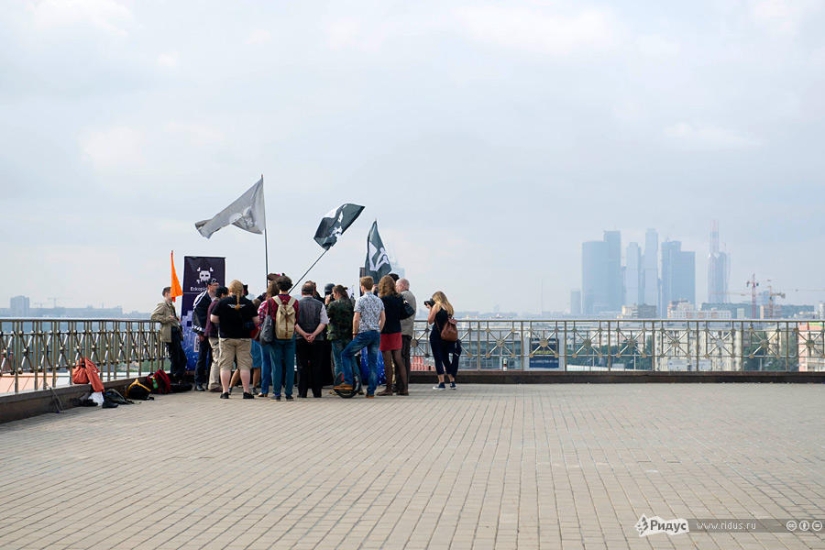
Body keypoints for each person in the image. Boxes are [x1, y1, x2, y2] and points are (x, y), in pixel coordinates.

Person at [337, 276, 385, 398]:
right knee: (372, 363)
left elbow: (356, 318)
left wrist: (354, 333)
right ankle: (371, 391)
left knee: (345, 354)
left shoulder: (360, 300)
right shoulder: (379, 300)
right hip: (375, 333)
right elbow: (383, 318)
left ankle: (348, 382)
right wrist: (378, 329)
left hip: (364, 333)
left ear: (362, 287)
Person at [210, 280, 259, 399]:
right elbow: (257, 321)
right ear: (242, 290)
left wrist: (224, 322)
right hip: (244, 338)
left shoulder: (222, 302)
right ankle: (246, 391)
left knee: (225, 365)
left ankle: (225, 392)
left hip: (226, 337)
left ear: (229, 290)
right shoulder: (248, 303)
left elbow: (213, 318)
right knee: (244, 366)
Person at [259, 275, 298, 401]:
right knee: (290, 364)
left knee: (276, 365)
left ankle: (276, 393)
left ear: (278, 286)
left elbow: (268, 318)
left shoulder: (271, 301)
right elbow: (297, 319)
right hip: (290, 335)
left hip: (276, 335)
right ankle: (289, 392)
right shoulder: (295, 302)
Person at [295, 281, 329, 398]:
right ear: (313, 292)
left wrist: (304, 334)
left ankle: (302, 392)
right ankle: (317, 391)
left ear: (301, 292)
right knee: (316, 366)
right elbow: (324, 322)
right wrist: (314, 334)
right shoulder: (320, 304)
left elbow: (294, 323)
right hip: (318, 339)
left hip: (300, 338)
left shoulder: (297, 304)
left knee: (302, 366)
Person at [377, 275, 407, 396]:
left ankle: (389, 388)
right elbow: (404, 313)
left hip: (385, 331)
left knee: (387, 361)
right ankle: (404, 388)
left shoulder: (382, 300)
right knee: (399, 360)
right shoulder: (399, 298)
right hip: (397, 330)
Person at [151, 287, 187, 382]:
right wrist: (167, 319)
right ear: (167, 294)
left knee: (181, 357)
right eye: (172, 293)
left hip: (175, 332)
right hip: (170, 333)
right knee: (175, 356)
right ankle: (174, 378)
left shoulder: (171, 305)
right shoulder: (163, 304)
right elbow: (154, 316)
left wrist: (175, 319)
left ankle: (177, 376)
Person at [426, 291, 458, 390]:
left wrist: (430, 309)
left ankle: (441, 382)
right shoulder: (449, 307)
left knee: (438, 359)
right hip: (447, 336)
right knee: (445, 358)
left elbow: (430, 321)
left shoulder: (437, 306)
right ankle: (452, 382)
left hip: (436, 335)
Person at [192, 278, 220, 391]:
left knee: (214, 358)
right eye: (215, 285)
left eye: (218, 284)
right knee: (202, 357)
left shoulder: (218, 299)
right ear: (209, 286)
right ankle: (198, 382)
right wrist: (200, 332)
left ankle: (210, 381)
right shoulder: (201, 298)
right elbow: (197, 316)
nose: (217, 286)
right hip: (204, 332)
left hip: (214, 333)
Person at [326, 284, 354, 386]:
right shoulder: (350, 303)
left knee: (337, 361)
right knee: (348, 359)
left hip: (336, 335)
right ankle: (351, 381)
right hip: (348, 335)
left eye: (333, 294)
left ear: (337, 293)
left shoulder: (333, 305)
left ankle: (339, 383)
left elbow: (326, 316)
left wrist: (326, 304)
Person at [205, 285, 229, 392]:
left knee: (217, 358)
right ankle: (213, 383)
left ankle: (214, 382)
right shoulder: (217, 304)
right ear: (223, 295)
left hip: (212, 334)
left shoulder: (213, 303)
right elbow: (215, 321)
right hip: (215, 335)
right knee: (217, 358)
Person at [396, 277, 416, 385]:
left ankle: (401, 382)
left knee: (401, 357)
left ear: (403, 285)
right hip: (407, 330)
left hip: (403, 330)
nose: (396, 288)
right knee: (405, 357)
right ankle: (404, 381)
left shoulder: (404, 296)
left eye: (397, 286)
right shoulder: (411, 295)